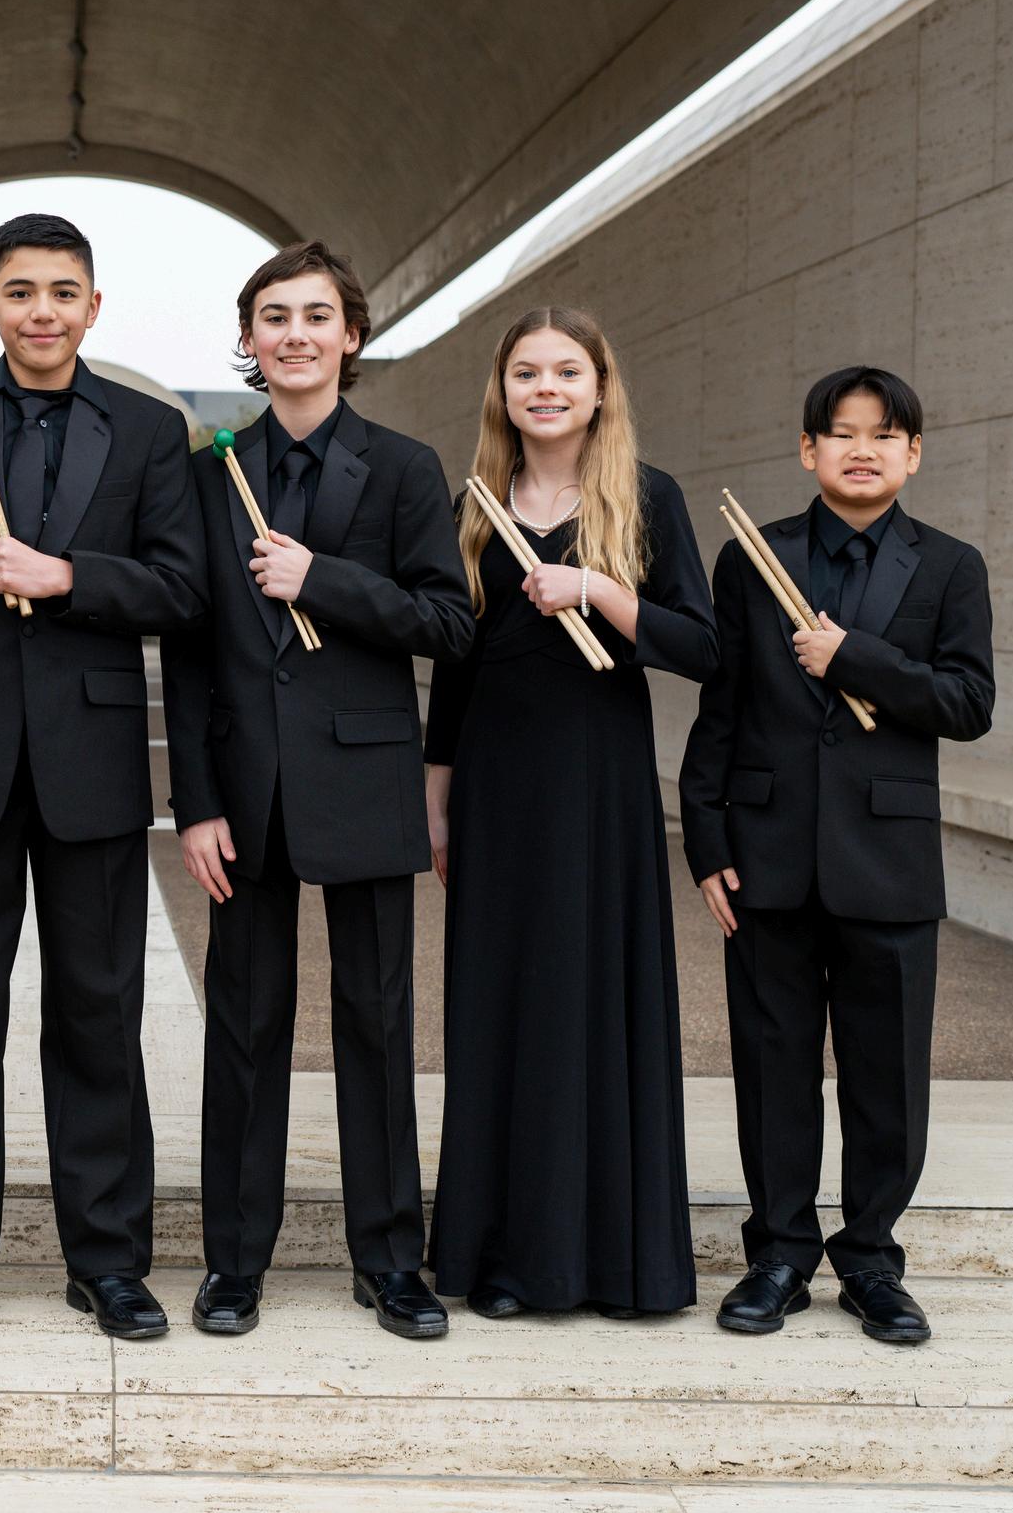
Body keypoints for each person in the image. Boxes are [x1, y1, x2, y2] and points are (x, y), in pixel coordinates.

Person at [0, 213, 206, 1342]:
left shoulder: (152, 431)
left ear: (93, 307)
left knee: (99, 1016)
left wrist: (67, 575)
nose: (42, 311)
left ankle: (108, 1262)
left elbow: (182, 590)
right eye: (20, 292)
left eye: (63, 292)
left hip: (92, 762)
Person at [162, 241, 472, 1340]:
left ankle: (389, 1261)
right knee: (243, 1028)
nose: (295, 334)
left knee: (377, 1026)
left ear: (350, 334)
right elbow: (188, 649)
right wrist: (194, 801)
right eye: (274, 317)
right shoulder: (207, 474)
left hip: (365, 782)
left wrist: (322, 580)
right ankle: (233, 1262)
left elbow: (449, 624)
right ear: (249, 340)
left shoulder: (403, 467)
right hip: (243, 792)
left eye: (315, 316)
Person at [679, 364, 994, 1346]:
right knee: (772, 1065)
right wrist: (706, 839)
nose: (863, 450)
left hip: (888, 860)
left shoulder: (950, 567)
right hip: (765, 854)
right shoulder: (752, 556)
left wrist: (853, 656)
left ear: (914, 453)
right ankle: (777, 1255)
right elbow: (721, 709)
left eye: (884, 435)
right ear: (807, 448)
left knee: (885, 1075)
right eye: (842, 433)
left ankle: (869, 1261)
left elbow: (967, 703)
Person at [422, 307, 717, 1320]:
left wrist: (594, 587)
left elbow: (701, 646)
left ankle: (607, 1263)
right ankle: (504, 1260)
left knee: (591, 998)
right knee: (498, 1008)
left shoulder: (647, 496)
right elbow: (455, 665)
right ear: (502, 390)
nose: (544, 388)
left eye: (565, 372)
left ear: (598, 388)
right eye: (525, 372)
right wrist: (437, 798)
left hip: (598, 786)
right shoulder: (476, 503)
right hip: (495, 788)